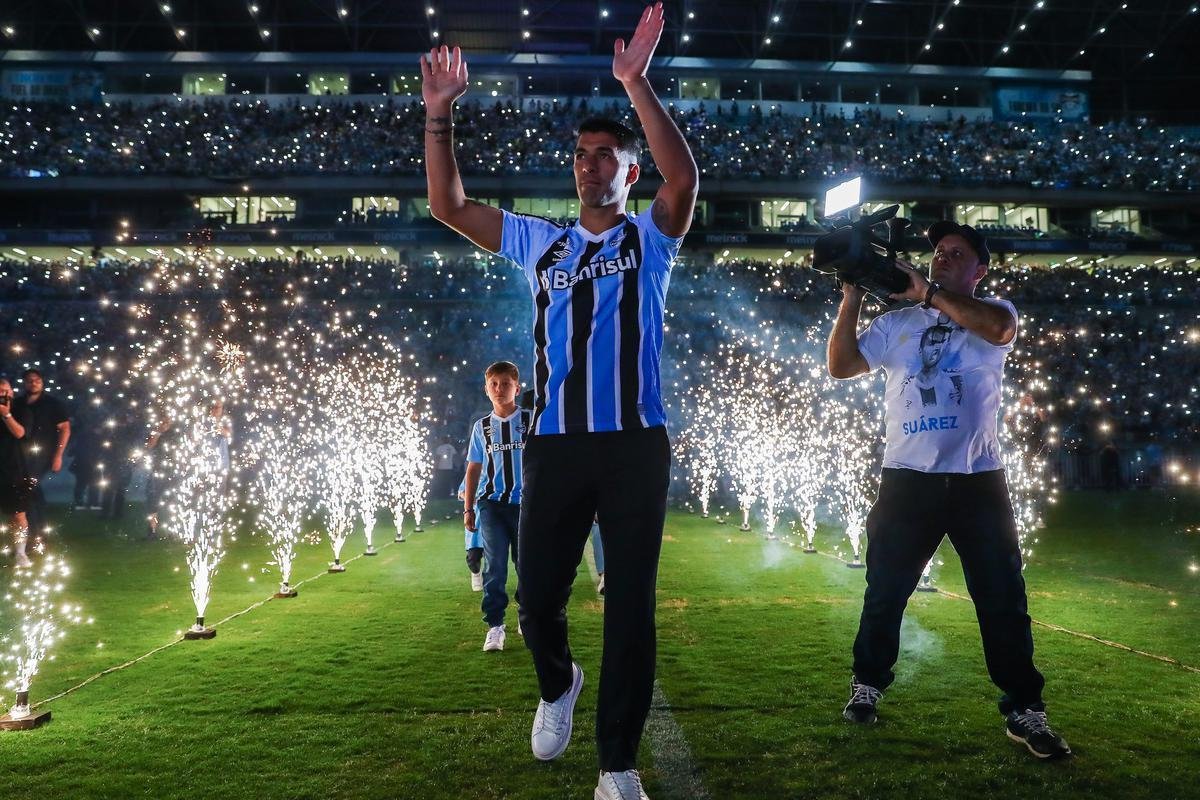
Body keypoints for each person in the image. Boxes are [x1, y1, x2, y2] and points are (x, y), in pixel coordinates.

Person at [422, 4, 697, 795]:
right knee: (538, 602)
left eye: (604, 155)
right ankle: (556, 685)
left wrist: (635, 82)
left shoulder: (650, 238)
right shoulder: (543, 241)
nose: (589, 166)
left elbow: (686, 179)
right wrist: (439, 114)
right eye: (580, 155)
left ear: (626, 170)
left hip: (635, 444)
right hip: (559, 446)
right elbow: (449, 207)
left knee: (630, 611)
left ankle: (617, 768)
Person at [826, 220, 1070, 759]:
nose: (941, 258)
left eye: (955, 254)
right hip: (907, 479)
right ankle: (867, 683)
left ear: (980, 270)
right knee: (885, 592)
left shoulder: (997, 313)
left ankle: (1025, 709)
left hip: (977, 480)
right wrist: (851, 296)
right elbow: (841, 366)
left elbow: (999, 332)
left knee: (1002, 600)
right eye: (937, 252)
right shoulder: (898, 323)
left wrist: (929, 292)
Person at [463, 361, 532, 652]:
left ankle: (526, 618)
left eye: (505, 384)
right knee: (496, 566)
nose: (499, 389)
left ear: (517, 387)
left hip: (528, 506)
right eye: (494, 384)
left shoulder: (531, 421)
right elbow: (473, 469)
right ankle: (495, 626)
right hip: (491, 505)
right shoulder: (482, 428)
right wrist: (468, 509)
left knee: (527, 565)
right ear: (486, 389)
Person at [12, 369, 70, 536]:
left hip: (42, 454)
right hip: (20, 455)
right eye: (30, 380)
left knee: (28, 489)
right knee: (29, 491)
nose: (34, 383)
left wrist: (58, 455)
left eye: (37, 379)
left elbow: (65, 429)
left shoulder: (53, 404)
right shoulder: (18, 403)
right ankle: (37, 533)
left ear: (42, 381)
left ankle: (36, 534)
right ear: (24, 383)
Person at [0, 378, 34, 567]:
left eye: (6, 391)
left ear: (11, 393)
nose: (3, 394)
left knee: (18, 514)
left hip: (14, 470)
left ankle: (20, 553)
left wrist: (6, 415)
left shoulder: (22, 410)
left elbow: (20, 433)